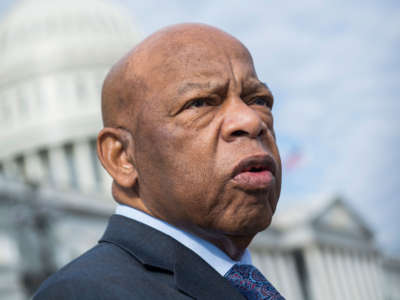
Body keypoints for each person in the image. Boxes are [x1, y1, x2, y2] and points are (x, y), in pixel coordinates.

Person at [33, 23, 283, 300]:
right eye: (199, 103)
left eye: (258, 99)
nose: (251, 121)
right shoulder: (83, 294)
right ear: (122, 157)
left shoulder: (243, 284)